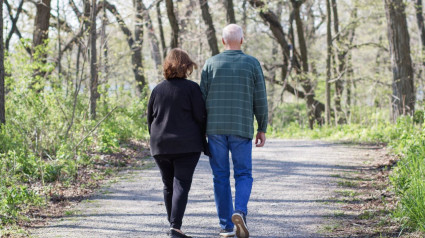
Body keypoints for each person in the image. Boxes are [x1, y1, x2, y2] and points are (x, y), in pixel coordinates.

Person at [200, 24, 268, 238]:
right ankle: (239, 211)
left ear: (222, 41)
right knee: (243, 173)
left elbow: (200, 100)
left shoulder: (211, 64)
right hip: (241, 127)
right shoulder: (252, 63)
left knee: (220, 176)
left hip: (215, 129)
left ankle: (226, 226)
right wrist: (262, 127)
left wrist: (201, 129)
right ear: (242, 40)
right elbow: (261, 99)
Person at [147, 48, 207, 238]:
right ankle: (175, 227)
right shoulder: (192, 88)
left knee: (168, 185)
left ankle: (174, 225)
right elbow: (201, 116)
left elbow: (150, 119)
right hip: (186, 145)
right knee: (181, 183)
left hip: (160, 145)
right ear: (187, 66)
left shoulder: (157, 89)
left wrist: (156, 138)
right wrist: (205, 140)